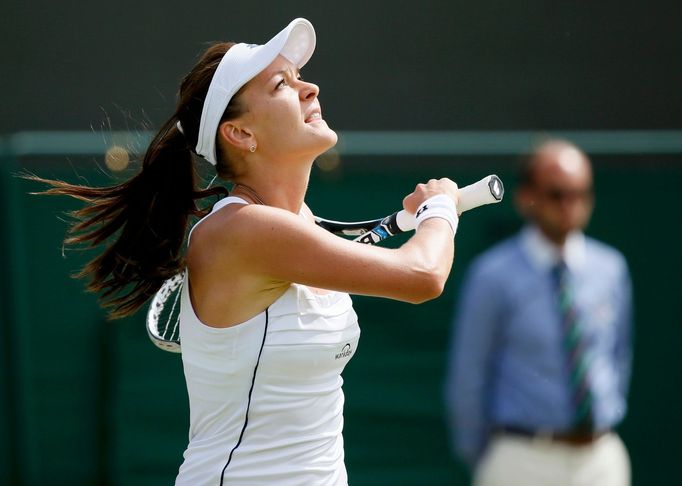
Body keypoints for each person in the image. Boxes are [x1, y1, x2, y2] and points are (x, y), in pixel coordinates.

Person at [34, 19, 461, 485]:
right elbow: (422, 275)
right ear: (240, 134)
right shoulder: (242, 230)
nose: (310, 88)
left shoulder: (295, 225)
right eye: (283, 84)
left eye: (299, 77)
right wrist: (442, 208)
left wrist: (429, 218)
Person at [444, 139, 633, 486]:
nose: (570, 205)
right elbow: (468, 375)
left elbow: (618, 356)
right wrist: (484, 457)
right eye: (557, 194)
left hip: (601, 457)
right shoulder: (492, 275)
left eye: (581, 193)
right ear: (526, 197)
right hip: (522, 457)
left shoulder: (611, 269)